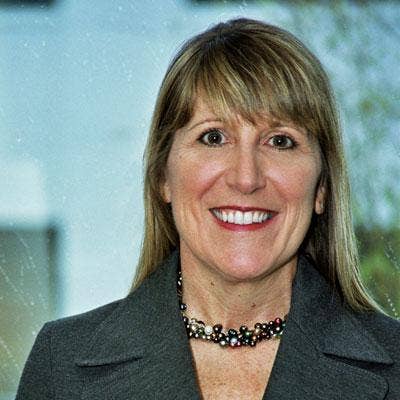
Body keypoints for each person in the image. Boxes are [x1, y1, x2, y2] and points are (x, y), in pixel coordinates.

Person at [16, 18, 400, 400]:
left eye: (280, 141)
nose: (246, 178)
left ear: (321, 188)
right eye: (213, 137)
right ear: (163, 177)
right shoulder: (61, 365)